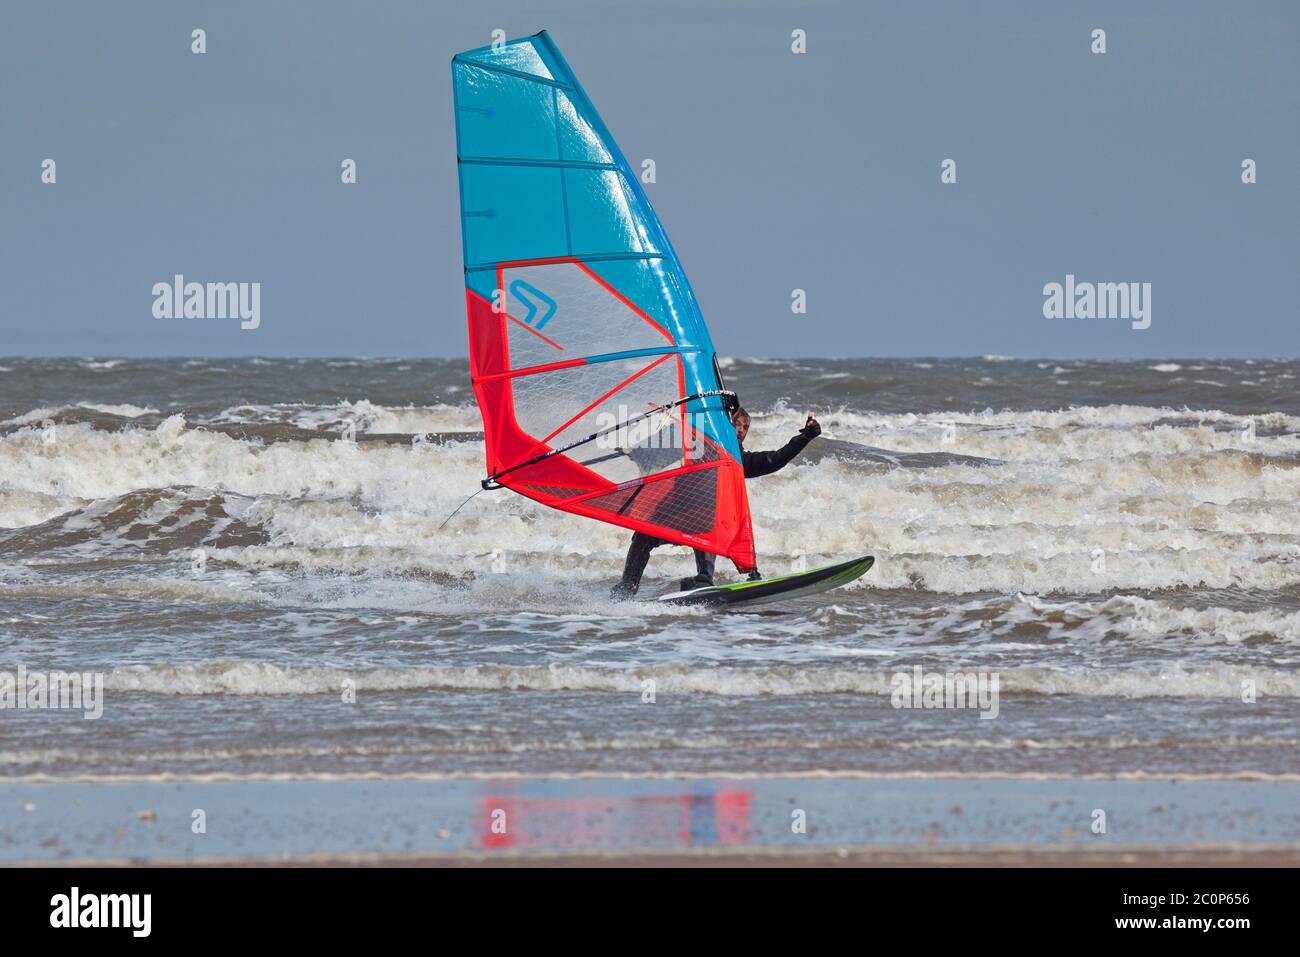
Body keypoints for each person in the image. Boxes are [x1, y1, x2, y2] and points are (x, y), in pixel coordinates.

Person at [611, 408, 822, 598]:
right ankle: (627, 587)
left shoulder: (736, 459)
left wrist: (803, 438)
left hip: (707, 519)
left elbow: (773, 460)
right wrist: (633, 451)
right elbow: (656, 458)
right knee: (643, 536)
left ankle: (704, 580)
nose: (740, 430)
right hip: (677, 513)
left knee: (708, 518)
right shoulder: (697, 445)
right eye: (736, 424)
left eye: (745, 427)